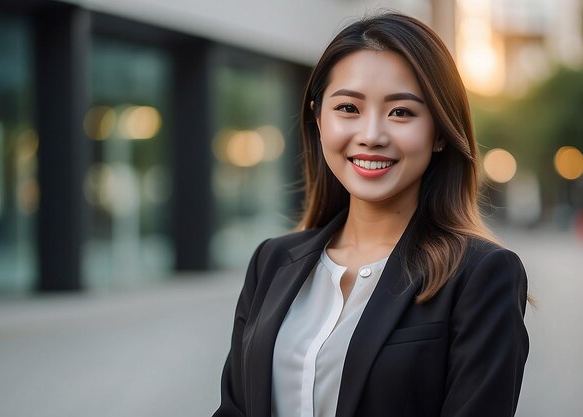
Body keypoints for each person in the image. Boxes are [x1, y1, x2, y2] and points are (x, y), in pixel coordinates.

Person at [213, 11, 529, 417]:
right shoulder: (272, 262)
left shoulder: (481, 276)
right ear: (318, 118)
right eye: (348, 108)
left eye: (401, 112)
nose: (371, 135)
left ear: (438, 133)